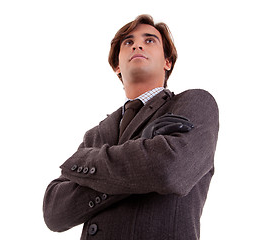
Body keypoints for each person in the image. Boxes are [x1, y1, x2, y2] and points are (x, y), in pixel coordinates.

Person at [43, 14, 219, 240]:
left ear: (168, 62)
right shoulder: (95, 134)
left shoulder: (195, 103)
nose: (137, 44)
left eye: (150, 40)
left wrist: (82, 163)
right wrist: (143, 153)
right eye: (128, 42)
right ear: (117, 65)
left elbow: (169, 170)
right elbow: (54, 211)